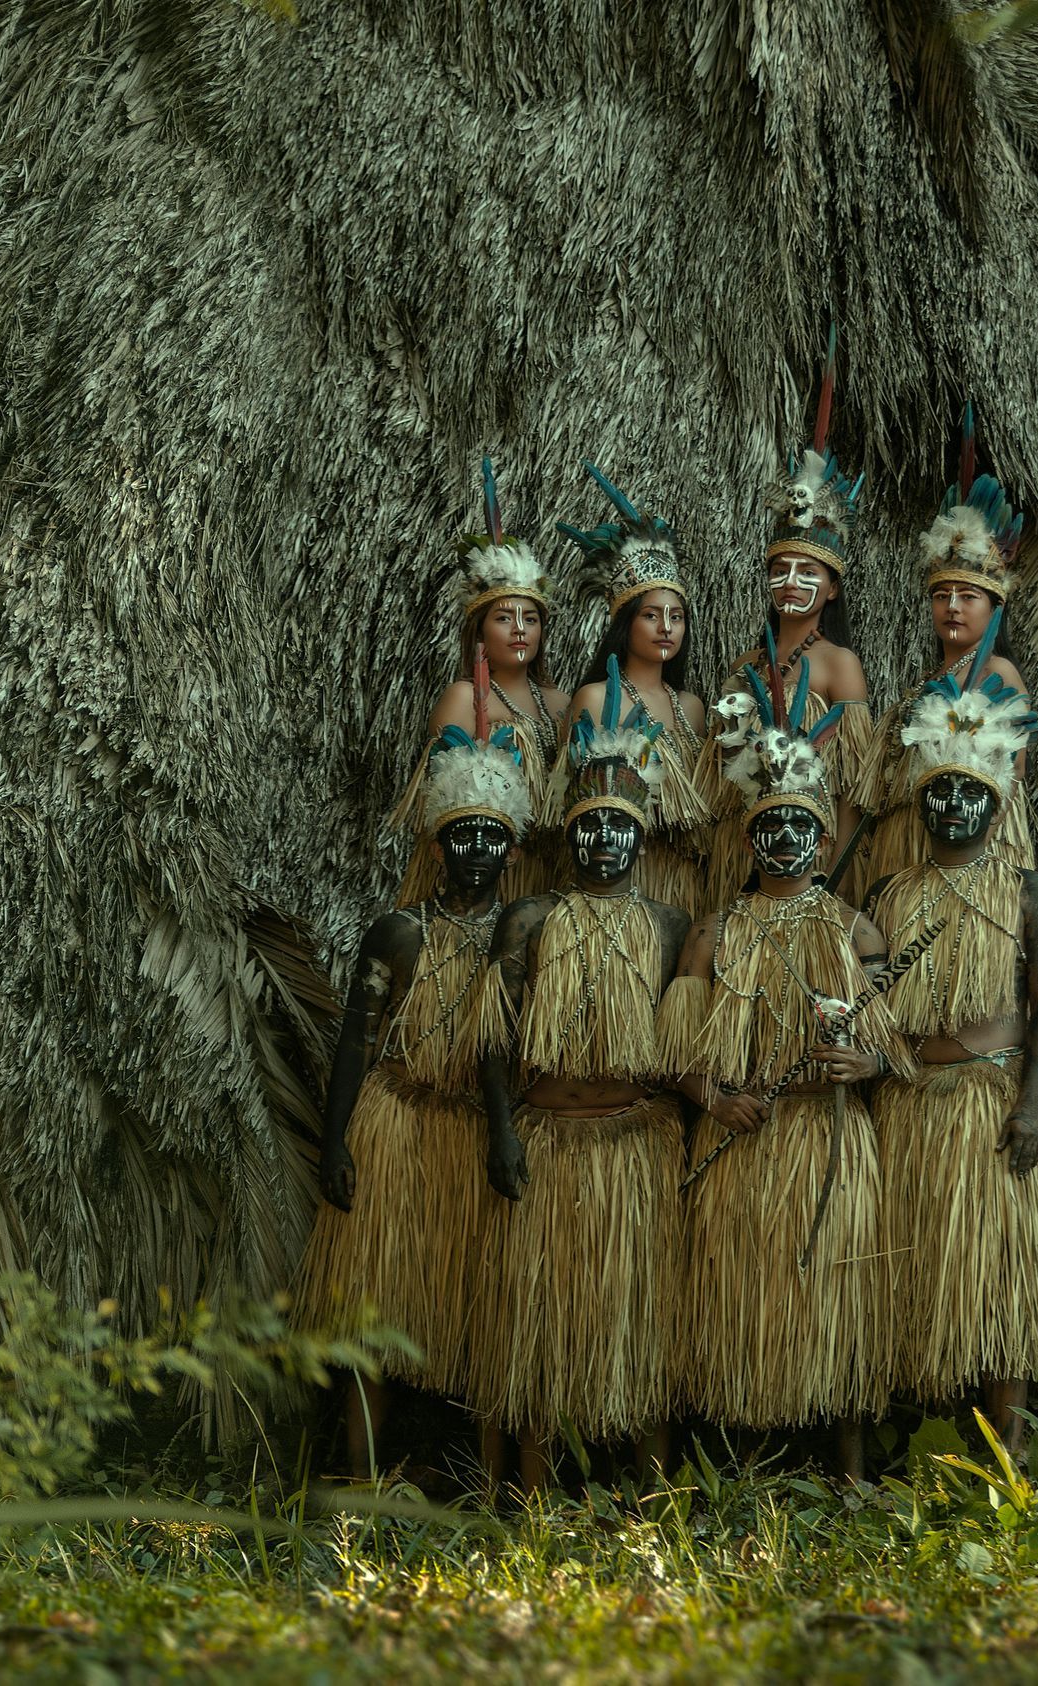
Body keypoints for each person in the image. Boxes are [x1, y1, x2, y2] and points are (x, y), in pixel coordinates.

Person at [660, 675, 909, 1479]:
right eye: (772, 827)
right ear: (748, 841)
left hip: (823, 1138)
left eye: (802, 826)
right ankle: (747, 1465)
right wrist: (715, 1099)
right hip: (744, 1140)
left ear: (825, 840)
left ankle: (848, 1467)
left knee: (832, 1294)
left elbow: (887, 1042)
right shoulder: (713, 933)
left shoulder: (856, 930)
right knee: (744, 1298)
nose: (786, 841)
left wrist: (865, 1061)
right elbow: (681, 1058)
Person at [469, 665, 693, 1492]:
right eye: (590, 826)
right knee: (538, 1320)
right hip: (546, 1140)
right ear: (569, 835)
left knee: (637, 1321)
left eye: (618, 827)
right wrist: (499, 1132)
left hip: (635, 1149)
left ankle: (654, 1489)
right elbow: (492, 1043)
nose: (604, 840)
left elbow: (682, 1053)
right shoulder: (529, 920)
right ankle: (531, 1492)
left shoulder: (670, 928)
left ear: (641, 837)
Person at [294, 706, 531, 1476]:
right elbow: (356, 1042)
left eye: (493, 837)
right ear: (437, 844)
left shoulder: (524, 940)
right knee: (376, 1314)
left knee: (483, 1314)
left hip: (473, 1132)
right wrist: (335, 1142)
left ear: (512, 850)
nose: (477, 851)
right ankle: (362, 1477)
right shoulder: (398, 932)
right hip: (394, 1124)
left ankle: (494, 1489)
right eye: (464, 835)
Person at [864, 668, 1038, 1454]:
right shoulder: (891, 894)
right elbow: (874, 1009)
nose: (953, 805)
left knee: (998, 1273)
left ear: (996, 803)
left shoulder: (1029, 892)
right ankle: (940, 1441)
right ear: (920, 803)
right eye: (939, 793)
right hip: (915, 1103)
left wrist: (1028, 1106)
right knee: (926, 1272)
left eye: (969, 794)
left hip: (991, 1103)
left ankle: (1009, 1441)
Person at [702, 333, 875, 906]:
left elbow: (852, 792)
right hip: (742, 852)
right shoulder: (745, 665)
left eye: (808, 573)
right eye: (780, 570)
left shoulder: (839, 666)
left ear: (831, 587)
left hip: (814, 856)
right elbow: (720, 777)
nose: (791, 584)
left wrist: (841, 881)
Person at [869, 406, 1038, 881]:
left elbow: (1014, 775)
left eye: (968, 596)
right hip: (908, 842)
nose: (952, 607)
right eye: (942, 596)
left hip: (971, 850)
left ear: (994, 607)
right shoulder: (931, 678)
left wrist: (972, 852)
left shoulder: (997, 674)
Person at [392, 457, 567, 903]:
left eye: (530, 618)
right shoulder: (466, 697)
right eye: (504, 617)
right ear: (479, 628)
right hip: (481, 871)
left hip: (548, 872)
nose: (520, 628)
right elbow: (445, 799)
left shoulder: (560, 702)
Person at [555, 463, 712, 914]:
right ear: (626, 623)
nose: (667, 628)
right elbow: (572, 796)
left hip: (681, 882)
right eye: (651, 615)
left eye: (676, 617)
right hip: (613, 880)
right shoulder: (595, 698)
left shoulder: (691, 708)